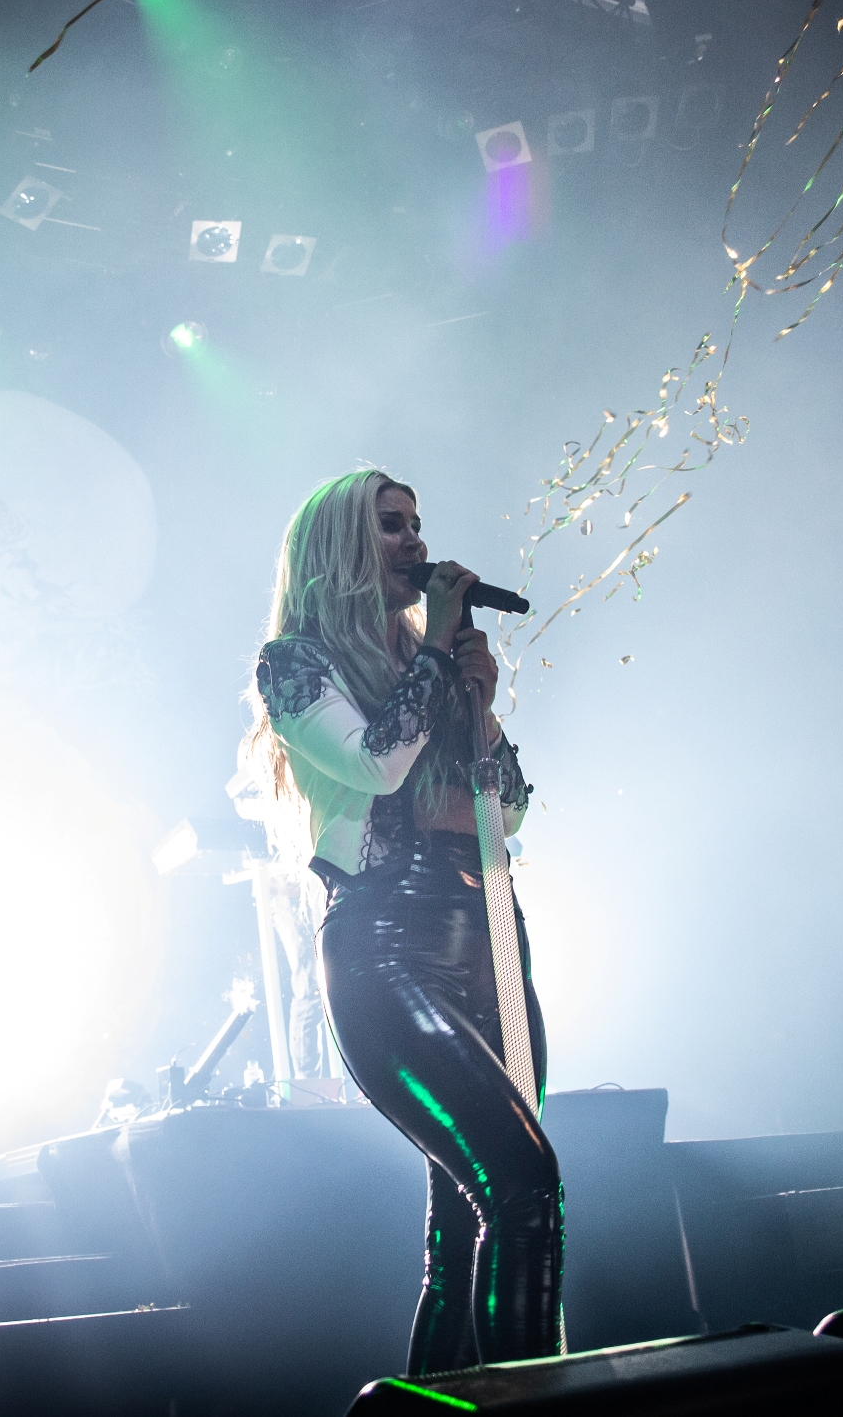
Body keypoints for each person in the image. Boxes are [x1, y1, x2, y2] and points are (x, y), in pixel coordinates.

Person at [242, 468, 558, 1373]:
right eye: (391, 525)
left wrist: (479, 707)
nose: (415, 541)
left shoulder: (435, 667)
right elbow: (376, 765)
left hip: (493, 935)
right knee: (524, 1184)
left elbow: (510, 808)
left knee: (465, 1228)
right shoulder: (294, 664)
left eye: (417, 522)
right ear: (340, 545)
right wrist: (438, 652)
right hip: (389, 943)